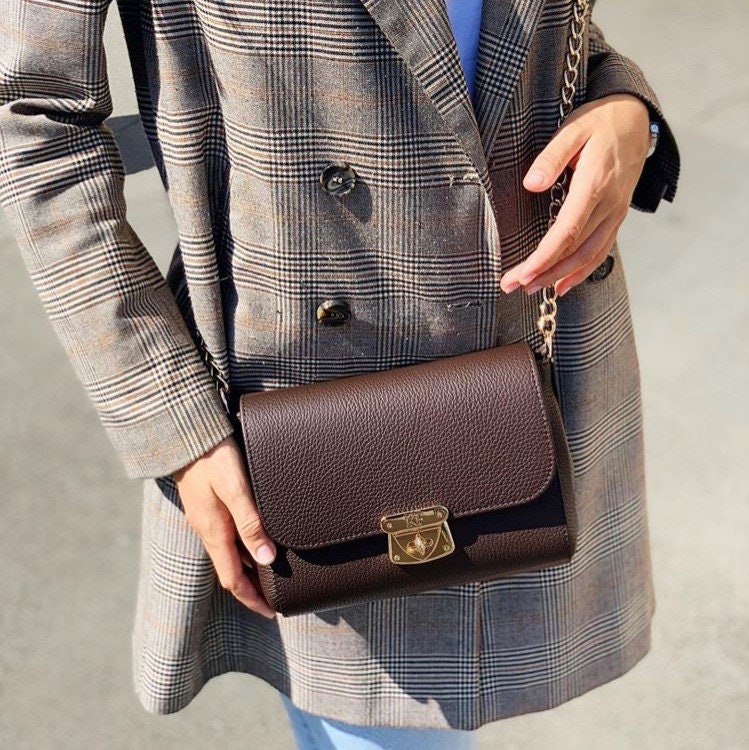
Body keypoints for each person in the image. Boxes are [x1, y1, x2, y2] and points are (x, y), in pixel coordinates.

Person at [0, 0, 680, 744]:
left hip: (538, 347)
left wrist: (623, 106)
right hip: (310, 415)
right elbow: (33, 122)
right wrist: (174, 419)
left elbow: (515, 33)